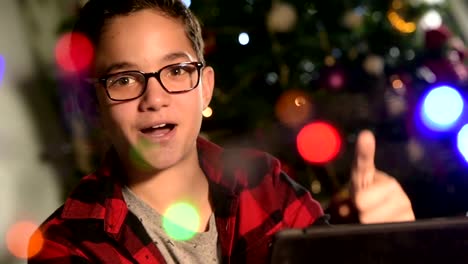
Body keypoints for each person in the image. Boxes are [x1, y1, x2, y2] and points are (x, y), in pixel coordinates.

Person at [28, 0, 414, 263]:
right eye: (125, 79)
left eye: (176, 71)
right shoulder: (67, 245)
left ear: (206, 87)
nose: (155, 98)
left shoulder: (265, 183)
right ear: (93, 103)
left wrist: (385, 245)